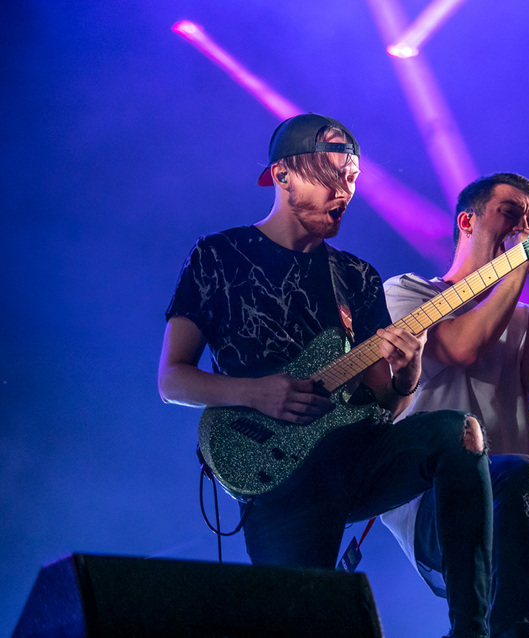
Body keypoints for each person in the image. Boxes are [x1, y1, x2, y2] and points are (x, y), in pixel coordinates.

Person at [158, 113, 494, 638]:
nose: (346, 192)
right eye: (332, 176)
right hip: (277, 474)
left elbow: (386, 404)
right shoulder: (218, 256)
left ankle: (472, 630)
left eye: (353, 180)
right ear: (283, 174)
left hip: (357, 458)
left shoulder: (355, 275)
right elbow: (172, 380)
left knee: (459, 433)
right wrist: (257, 393)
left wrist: (407, 375)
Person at [380, 173, 529, 638]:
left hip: (520, 504)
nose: (524, 229)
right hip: (435, 500)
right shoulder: (409, 293)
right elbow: (462, 348)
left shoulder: (523, 314)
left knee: (522, 627)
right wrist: (518, 265)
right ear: (467, 221)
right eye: (510, 214)